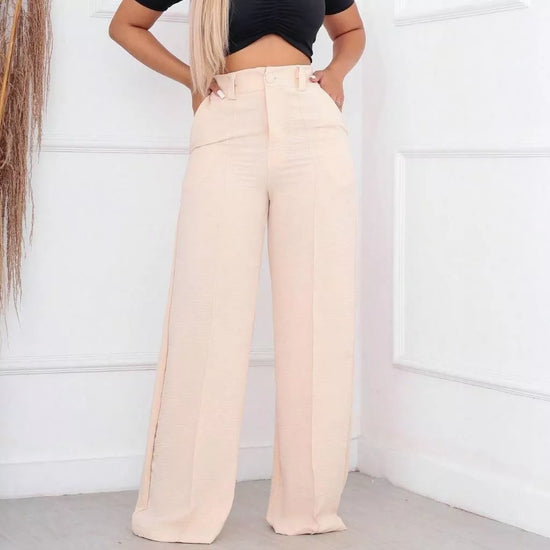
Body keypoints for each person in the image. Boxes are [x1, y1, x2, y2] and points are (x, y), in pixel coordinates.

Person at [108, 0, 365, 544]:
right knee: (206, 317)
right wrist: (192, 78)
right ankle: (180, 511)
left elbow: (352, 30)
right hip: (228, 117)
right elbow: (125, 25)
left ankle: (309, 509)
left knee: (320, 317)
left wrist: (337, 74)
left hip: (311, 122)